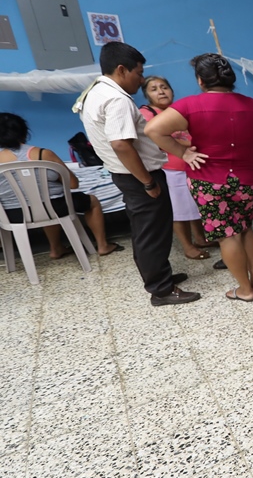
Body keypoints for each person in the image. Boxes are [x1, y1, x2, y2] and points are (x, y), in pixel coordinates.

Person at [145, 53, 253, 302]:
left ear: (201, 80)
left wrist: (183, 153)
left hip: (208, 182)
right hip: (246, 180)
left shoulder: (189, 106)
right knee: (245, 229)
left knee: (227, 235)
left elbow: (153, 129)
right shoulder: (252, 105)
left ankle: (245, 289)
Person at [79, 42, 199, 306]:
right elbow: (121, 145)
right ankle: (161, 290)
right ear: (122, 70)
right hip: (139, 176)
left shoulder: (95, 92)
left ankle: (160, 276)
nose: (141, 79)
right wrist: (147, 182)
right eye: (139, 73)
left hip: (125, 174)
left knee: (147, 230)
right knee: (151, 233)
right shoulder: (117, 99)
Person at [0, 112, 122, 258]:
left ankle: (56, 248)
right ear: (24, 131)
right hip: (54, 207)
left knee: (41, 205)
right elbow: (73, 184)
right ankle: (103, 245)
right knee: (90, 201)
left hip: (11, 215)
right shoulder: (43, 154)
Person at [140, 76, 216, 260]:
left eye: (164, 87)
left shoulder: (178, 110)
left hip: (191, 165)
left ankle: (200, 238)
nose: (161, 91)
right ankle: (188, 247)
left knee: (193, 205)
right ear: (147, 95)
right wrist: (190, 143)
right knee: (179, 209)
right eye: (154, 89)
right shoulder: (147, 113)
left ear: (172, 91)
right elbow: (155, 138)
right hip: (170, 168)